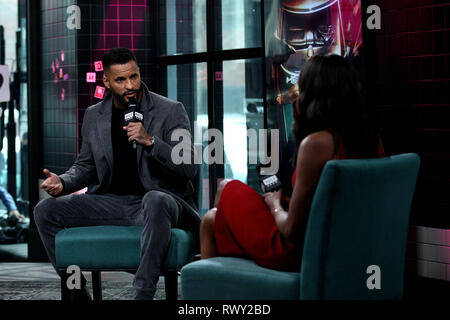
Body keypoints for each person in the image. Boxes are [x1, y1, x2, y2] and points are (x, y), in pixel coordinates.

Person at [34, 48, 199, 300]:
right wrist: (63, 182)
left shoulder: (170, 110)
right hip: (112, 203)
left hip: (161, 202)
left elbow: (189, 165)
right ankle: (78, 293)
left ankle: (142, 294)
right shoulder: (93, 115)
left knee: (154, 198)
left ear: (139, 72)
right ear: (107, 81)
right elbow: (86, 166)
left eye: (133, 76)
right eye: (120, 80)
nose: (130, 85)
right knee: (44, 211)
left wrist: (152, 142)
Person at [200, 54, 385, 271]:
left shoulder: (316, 144)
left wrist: (275, 205)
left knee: (226, 188)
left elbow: (291, 230)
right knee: (212, 219)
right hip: (344, 245)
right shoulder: (371, 140)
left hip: (299, 250)